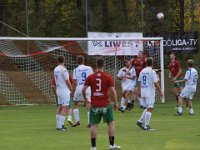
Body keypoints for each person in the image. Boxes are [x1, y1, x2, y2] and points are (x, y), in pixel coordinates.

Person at [82, 58, 121, 150]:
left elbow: (83, 90)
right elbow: (113, 91)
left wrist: (86, 99)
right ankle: (111, 145)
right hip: (105, 104)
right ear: (104, 65)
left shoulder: (90, 77)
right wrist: (116, 102)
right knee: (111, 123)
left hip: (94, 105)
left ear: (96, 66)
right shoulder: (108, 77)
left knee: (94, 125)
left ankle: (93, 147)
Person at [136, 57, 163, 131]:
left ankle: (140, 121)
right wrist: (160, 91)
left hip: (143, 91)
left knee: (147, 107)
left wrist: (139, 91)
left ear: (146, 63)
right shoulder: (152, 71)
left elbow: (139, 82)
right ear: (152, 63)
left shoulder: (142, 71)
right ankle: (146, 126)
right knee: (150, 108)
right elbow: (156, 83)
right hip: (149, 92)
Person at [72, 55, 93, 127]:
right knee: (88, 103)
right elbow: (92, 78)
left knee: (75, 103)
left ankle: (77, 121)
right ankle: (90, 122)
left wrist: (72, 91)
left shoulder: (75, 70)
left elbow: (74, 82)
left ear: (77, 62)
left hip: (79, 87)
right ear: (83, 61)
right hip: (87, 87)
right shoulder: (89, 68)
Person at [54, 55, 73, 131]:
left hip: (58, 89)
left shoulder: (55, 69)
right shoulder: (63, 70)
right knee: (65, 107)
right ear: (64, 60)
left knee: (59, 107)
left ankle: (58, 125)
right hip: (64, 90)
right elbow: (67, 81)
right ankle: (61, 125)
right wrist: (71, 89)